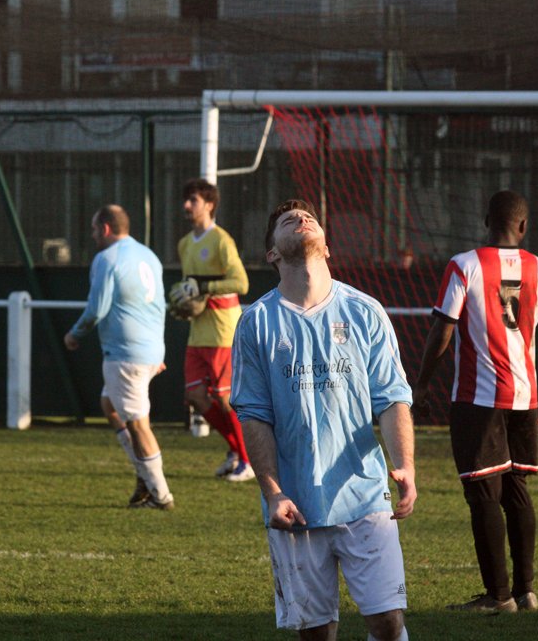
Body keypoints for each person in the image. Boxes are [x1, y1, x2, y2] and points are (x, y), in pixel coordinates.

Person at [230, 199, 416, 641]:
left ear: (327, 247)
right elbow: (254, 416)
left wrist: (405, 466)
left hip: (365, 496)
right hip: (294, 506)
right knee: (315, 633)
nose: (301, 218)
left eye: (309, 217)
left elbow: (392, 399)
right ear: (272, 253)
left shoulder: (365, 311)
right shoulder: (256, 322)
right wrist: (273, 492)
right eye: (286, 220)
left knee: (387, 622)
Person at [413, 189, 538, 613]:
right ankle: (526, 591)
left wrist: (421, 384)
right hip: (525, 397)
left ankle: (498, 596)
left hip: (477, 399)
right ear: (523, 226)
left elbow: (443, 330)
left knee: (483, 494)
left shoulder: (465, 265)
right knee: (515, 488)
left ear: (486, 222)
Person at [64, 204, 174, 510]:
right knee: (109, 405)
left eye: (94, 229)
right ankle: (144, 476)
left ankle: (160, 495)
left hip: (126, 354)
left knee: (138, 424)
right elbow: (158, 304)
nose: (92, 235)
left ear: (105, 228)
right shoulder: (148, 255)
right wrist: (156, 349)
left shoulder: (107, 258)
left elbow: (96, 309)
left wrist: (74, 334)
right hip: (149, 350)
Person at [170, 178, 253, 481]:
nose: (186, 205)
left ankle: (248, 461)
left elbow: (241, 283)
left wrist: (203, 287)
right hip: (198, 331)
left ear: (209, 204)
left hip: (222, 331)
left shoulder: (221, 240)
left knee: (225, 399)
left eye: (193, 200)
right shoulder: (184, 244)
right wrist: (184, 303)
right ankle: (236, 450)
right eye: (186, 199)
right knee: (195, 395)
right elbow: (191, 289)